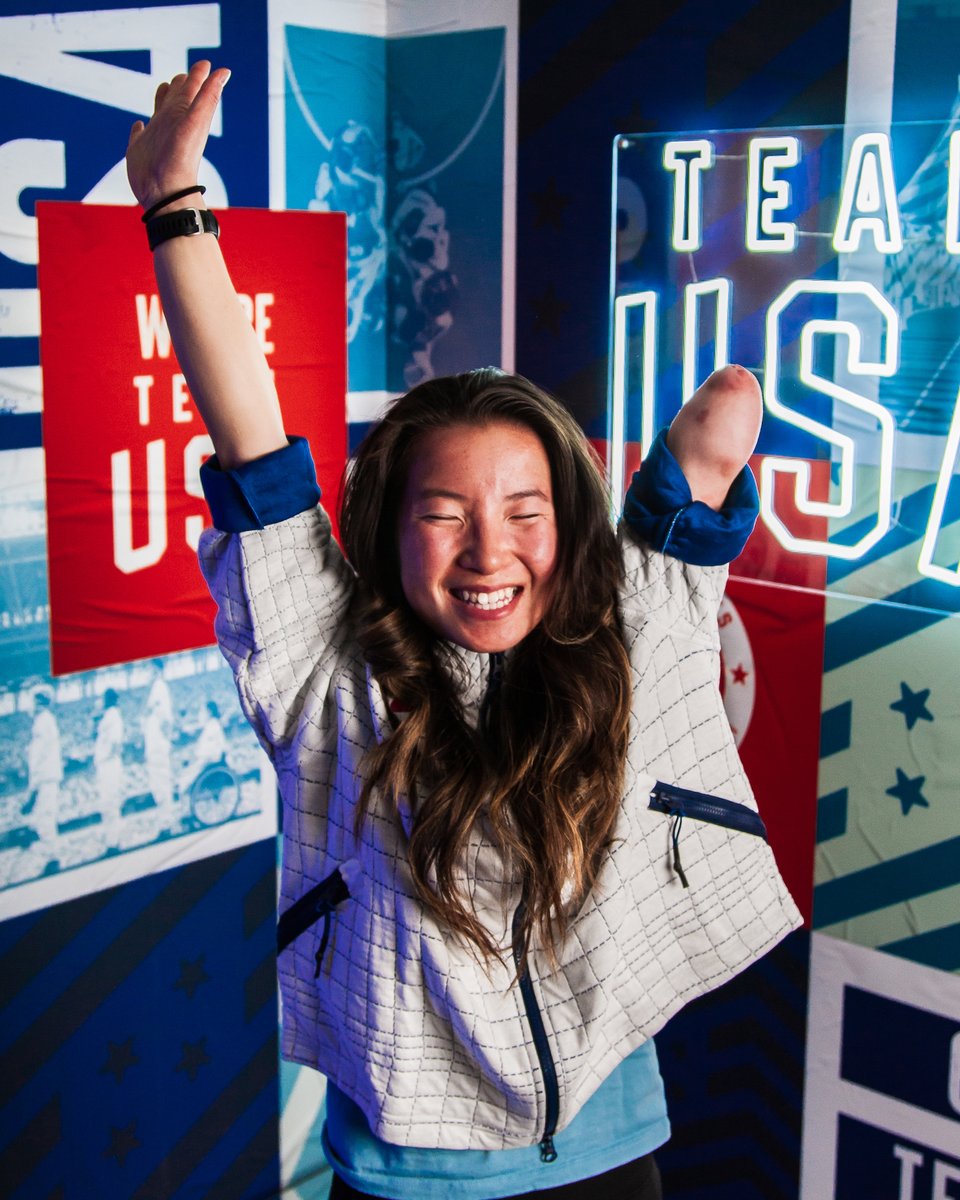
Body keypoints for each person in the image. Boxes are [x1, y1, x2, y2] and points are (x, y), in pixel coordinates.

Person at [126, 63, 801, 1200]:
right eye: (444, 515)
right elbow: (252, 442)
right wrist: (175, 209)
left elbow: (717, 428)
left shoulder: (633, 632)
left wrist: (687, 473)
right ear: (386, 534)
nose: (490, 553)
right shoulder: (331, 675)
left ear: (568, 524)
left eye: (525, 513)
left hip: (611, 1150)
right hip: (408, 1168)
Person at [24, 686, 63, 850]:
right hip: (45, 777)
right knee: (43, 818)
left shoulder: (43, 722)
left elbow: (38, 757)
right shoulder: (44, 721)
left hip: (45, 777)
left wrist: (33, 787)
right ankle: (51, 855)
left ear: (38, 702)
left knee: (46, 818)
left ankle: (53, 857)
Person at [142, 658, 174, 833]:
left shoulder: (160, 687)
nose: (147, 673)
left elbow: (166, 720)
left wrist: (163, 741)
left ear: (156, 670)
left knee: (161, 783)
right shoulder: (155, 689)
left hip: (158, 745)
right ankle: (164, 822)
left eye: (149, 669)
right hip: (154, 744)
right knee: (157, 783)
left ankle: (166, 824)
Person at [95, 688, 125, 854]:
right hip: (106, 763)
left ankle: (114, 843)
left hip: (110, 764)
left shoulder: (113, 715)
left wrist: (109, 757)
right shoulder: (108, 716)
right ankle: (111, 841)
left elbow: (115, 742)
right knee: (107, 805)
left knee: (110, 804)